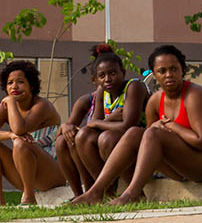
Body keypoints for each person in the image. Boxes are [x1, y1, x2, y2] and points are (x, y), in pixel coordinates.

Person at [71, 43, 202, 205]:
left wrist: (171, 126)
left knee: (152, 133)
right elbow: (148, 144)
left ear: (183, 70)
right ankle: (96, 192)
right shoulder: (155, 101)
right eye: (162, 71)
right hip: (181, 163)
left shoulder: (194, 95)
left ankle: (132, 194)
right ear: (154, 75)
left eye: (174, 69)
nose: (169, 75)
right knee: (135, 133)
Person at [57, 46, 149, 195]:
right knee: (83, 136)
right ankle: (105, 193)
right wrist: (108, 119)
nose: (107, 79)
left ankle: (135, 193)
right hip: (114, 138)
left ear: (123, 73)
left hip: (140, 141)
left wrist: (96, 122)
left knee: (106, 138)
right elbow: (93, 125)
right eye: (102, 76)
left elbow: (127, 125)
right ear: (96, 80)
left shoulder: (134, 87)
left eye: (112, 73)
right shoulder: (102, 91)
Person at [0, 59, 66, 206]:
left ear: (31, 85)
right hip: (26, 172)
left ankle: (29, 198)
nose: (14, 86)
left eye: (20, 82)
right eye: (10, 83)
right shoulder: (6, 108)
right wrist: (9, 135)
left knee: (20, 143)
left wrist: (11, 102)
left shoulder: (42, 105)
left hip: (52, 173)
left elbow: (19, 129)